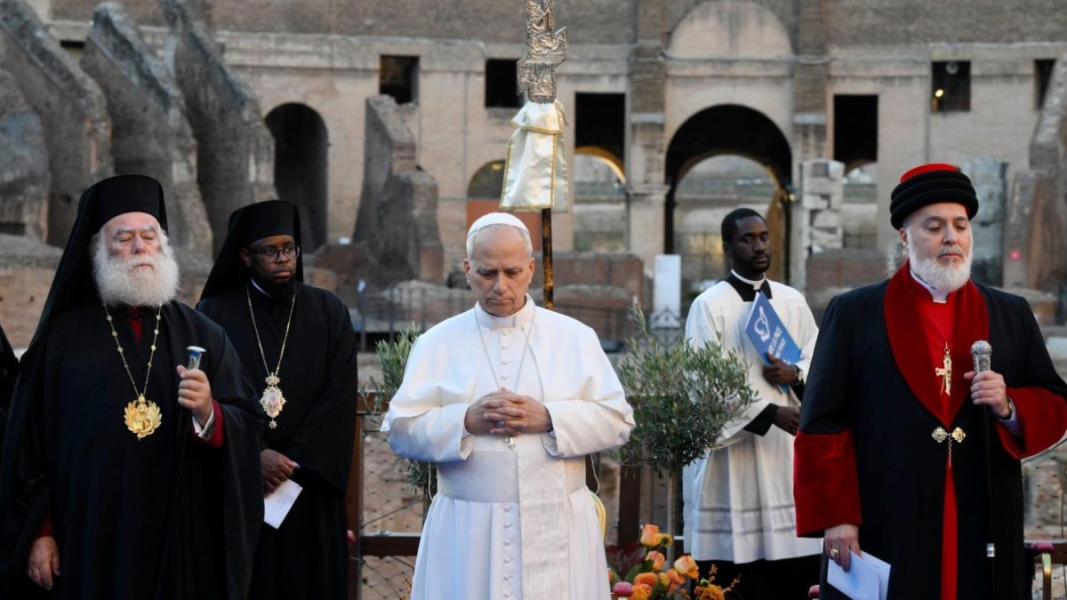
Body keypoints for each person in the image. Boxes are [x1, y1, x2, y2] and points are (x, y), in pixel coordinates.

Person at [795, 164, 1067, 600]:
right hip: (889, 505)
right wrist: (837, 516)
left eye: (960, 225)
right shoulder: (854, 314)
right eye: (934, 226)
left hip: (983, 511)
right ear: (905, 236)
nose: (951, 238)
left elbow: (1057, 403)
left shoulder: (1010, 313)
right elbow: (822, 424)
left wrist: (1010, 406)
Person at [0, 174, 264, 599]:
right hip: (87, 536)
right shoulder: (60, 341)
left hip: (180, 537)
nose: (140, 247)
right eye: (124, 238)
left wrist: (209, 414)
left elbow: (249, 424)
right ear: (97, 250)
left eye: (149, 236)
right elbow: (27, 448)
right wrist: (40, 533)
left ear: (163, 245)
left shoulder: (204, 334)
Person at [382, 212, 635, 600]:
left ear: (531, 269)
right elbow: (400, 431)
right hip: (468, 530)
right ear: (467, 269)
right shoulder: (437, 342)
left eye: (512, 272)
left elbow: (618, 421)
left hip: (560, 523)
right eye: (487, 273)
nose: (500, 286)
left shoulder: (574, 337)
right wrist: (464, 420)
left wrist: (550, 417)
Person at [198, 200, 358, 599]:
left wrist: (286, 465)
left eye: (289, 248)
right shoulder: (213, 314)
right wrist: (254, 456)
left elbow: (337, 402)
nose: (283, 259)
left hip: (310, 492)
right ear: (245, 256)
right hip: (240, 492)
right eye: (270, 251)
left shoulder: (329, 311)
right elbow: (211, 400)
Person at [682, 208, 822, 598]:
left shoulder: (792, 301)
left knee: (793, 574)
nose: (759, 246)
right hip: (733, 461)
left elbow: (819, 359)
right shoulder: (709, 305)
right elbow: (701, 382)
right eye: (747, 239)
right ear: (727, 248)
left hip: (783, 458)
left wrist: (794, 373)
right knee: (736, 578)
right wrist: (771, 413)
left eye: (763, 237)